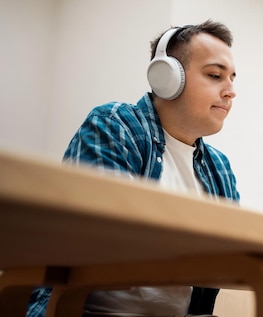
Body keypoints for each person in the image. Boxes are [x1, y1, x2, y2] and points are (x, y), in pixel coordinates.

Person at [27, 19, 240, 317]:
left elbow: (235, 259)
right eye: (215, 75)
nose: (231, 91)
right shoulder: (115, 125)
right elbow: (102, 234)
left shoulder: (219, 167)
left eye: (232, 78)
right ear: (167, 77)